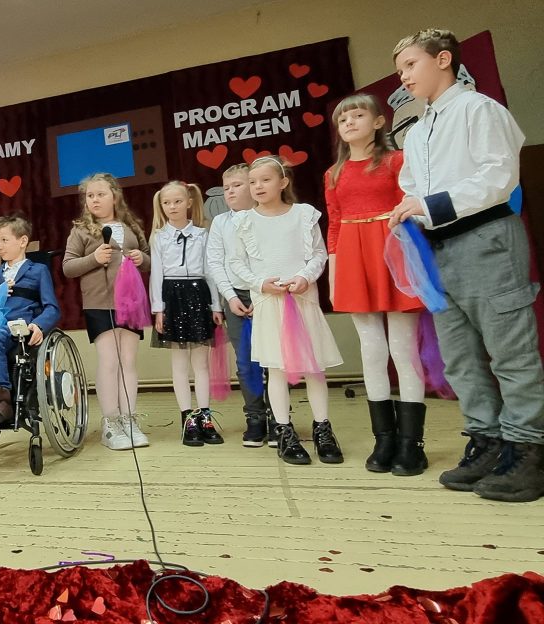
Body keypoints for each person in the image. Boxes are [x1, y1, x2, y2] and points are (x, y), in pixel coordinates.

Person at [390, 27, 544, 502]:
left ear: (443, 60)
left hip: (486, 239)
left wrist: (429, 205)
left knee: (510, 351)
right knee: (459, 355)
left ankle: (528, 449)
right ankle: (487, 440)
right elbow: (412, 187)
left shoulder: (480, 109)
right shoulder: (418, 131)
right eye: (399, 70)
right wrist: (408, 210)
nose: (404, 76)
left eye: (411, 64)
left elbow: (500, 175)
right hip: (439, 249)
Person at [325, 94, 427, 476]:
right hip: (354, 260)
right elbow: (334, 226)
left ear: (380, 121)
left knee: (403, 348)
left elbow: (411, 210)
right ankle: (383, 439)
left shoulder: (396, 161)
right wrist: (334, 276)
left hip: (393, 252)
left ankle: (411, 443)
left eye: (358, 115)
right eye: (343, 119)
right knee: (371, 349)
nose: (350, 122)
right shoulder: (333, 174)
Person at [229, 157, 344, 465]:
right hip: (269, 302)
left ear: (283, 182)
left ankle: (323, 429)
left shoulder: (303, 215)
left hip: (302, 299)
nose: (258, 186)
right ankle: (284, 430)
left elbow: (319, 254)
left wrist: (305, 277)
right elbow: (236, 262)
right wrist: (260, 283)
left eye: (265, 180)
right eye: (253, 182)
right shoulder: (244, 221)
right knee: (276, 369)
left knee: (314, 367)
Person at [63, 173, 150, 450]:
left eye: (100, 194)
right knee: (109, 361)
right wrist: (94, 258)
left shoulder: (131, 226)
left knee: (128, 361)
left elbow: (149, 260)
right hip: (99, 303)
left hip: (131, 303)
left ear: (115, 196)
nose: (95, 200)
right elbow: (68, 267)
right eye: (90, 195)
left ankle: (129, 419)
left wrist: (142, 258)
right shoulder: (81, 231)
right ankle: (110, 423)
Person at [0, 214, 61, 426]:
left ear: (23, 241)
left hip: (20, 329)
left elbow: (52, 308)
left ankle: (1, 400)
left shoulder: (38, 271)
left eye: (4, 240)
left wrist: (39, 325)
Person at [148, 181, 223, 445]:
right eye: (167, 203)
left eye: (178, 201)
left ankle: (205, 418)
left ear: (189, 202)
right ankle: (188, 420)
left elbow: (210, 271)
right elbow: (156, 274)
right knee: (179, 364)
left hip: (198, 294)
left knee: (201, 364)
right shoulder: (158, 237)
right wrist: (158, 309)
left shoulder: (203, 235)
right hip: (172, 296)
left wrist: (216, 305)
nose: (172, 207)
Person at [206, 163, 270, 447]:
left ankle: (279, 416)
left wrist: (262, 293)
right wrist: (230, 297)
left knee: (273, 359)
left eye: (237, 185)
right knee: (245, 362)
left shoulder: (266, 217)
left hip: (266, 295)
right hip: (236, 299)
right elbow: (215, 263)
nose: (230, 192)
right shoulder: (221, 223)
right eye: (226, 187)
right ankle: (255, 417)